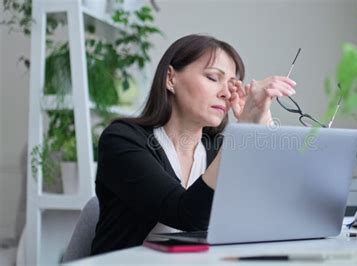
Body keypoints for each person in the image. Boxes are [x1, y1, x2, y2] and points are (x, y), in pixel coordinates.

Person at [91, 34, 297, 255]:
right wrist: (241, 133)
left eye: (231, 84)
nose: (226, 93)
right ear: (170, 78)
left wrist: (260, 121)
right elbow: (186, 215)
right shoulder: (121, 140)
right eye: (212, 77)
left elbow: (268, 210)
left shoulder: (216, 150)